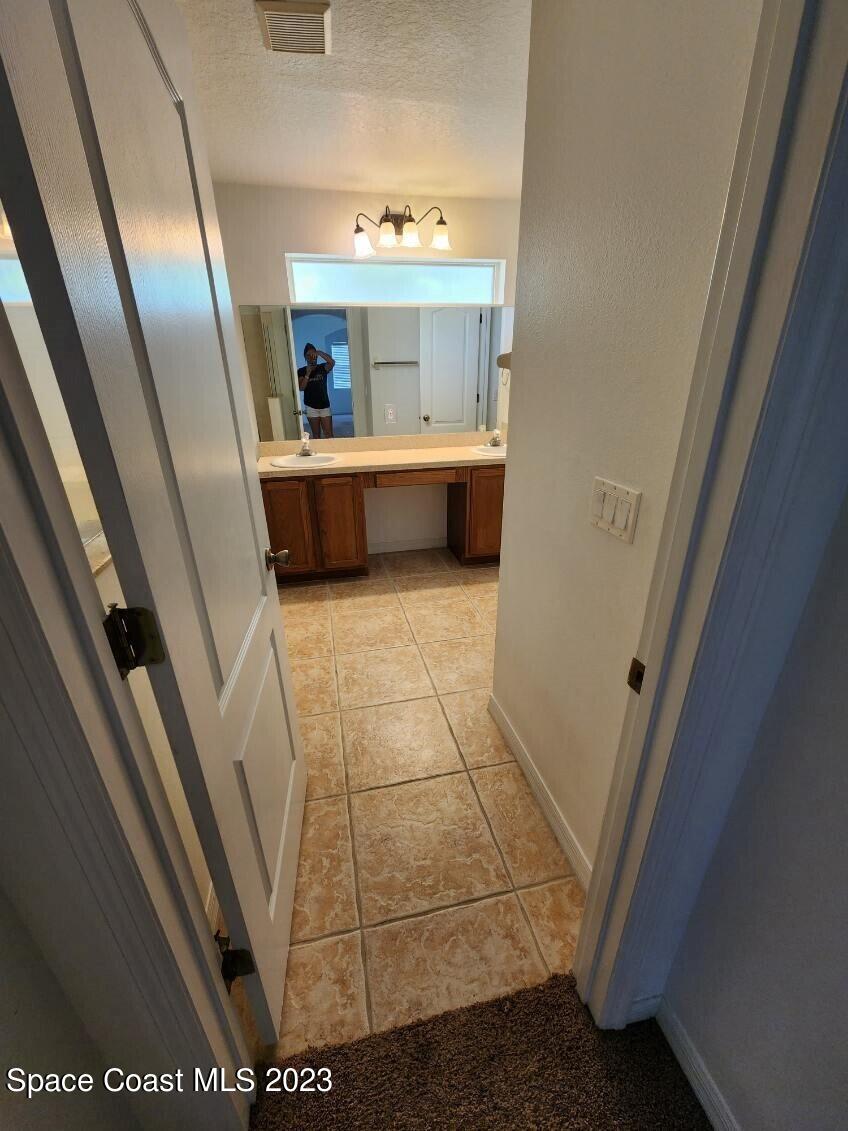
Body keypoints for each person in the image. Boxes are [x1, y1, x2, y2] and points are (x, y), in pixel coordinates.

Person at [297, 342, 335, 438]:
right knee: (316, 435)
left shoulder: (322, 367)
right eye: (308, 355)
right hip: (311, 407)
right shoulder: (301, 371)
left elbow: (332, 362)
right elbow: (301, 388)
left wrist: (319, 352)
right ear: (305, 357)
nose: (311, 357)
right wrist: (307, 374)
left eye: (313, 354)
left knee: (329, 434)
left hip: (324, 405)